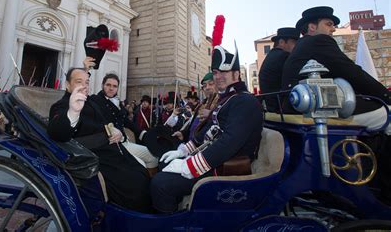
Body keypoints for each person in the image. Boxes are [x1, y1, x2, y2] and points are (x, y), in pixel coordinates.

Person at [150, 43, 263, 213]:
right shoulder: (229, 99)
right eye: (216, 72)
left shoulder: (244, 101)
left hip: (228, 166)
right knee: (163, 163)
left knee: (160, 184)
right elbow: (210, 131)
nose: (218, 77)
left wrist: (190, 166)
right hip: (216, 160)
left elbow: (229, 143)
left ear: (237, 74)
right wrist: (183, 151)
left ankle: (172, 223)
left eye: (224, 72)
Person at [47, 68, 151, 212]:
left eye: (87, 82)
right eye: (79, 82)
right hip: (92, 158)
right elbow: (56, 132)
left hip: (111, 150)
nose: (84, 85)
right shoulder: (62, 105)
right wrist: (73, 112)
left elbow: (104, 124)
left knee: (141, 172)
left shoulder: (91, 103)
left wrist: (115, 131)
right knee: (135, 183)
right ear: (67, 84)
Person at [281, 6, 391, 130]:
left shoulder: (302, 45)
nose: (333, 29)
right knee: (388, 113)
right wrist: (386, 95)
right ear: (312, 27)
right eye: (329, 24)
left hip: (298, 105)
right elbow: (351, 72)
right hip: (314, 107)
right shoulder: (319, 41)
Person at [92, 73, 158, 174]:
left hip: (125, 142)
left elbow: (126, 121)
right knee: (141, 165)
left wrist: (142, 133)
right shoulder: (95, 100)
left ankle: (152, 185)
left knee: (153, 157)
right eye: (108, 85)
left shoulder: (117, 101)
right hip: (112, 146)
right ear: (102, 85)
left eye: (114, 86)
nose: (111, 88)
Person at [259, 27, 300, 112]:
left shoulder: (272, 56)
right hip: (282, 108)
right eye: (294, 42)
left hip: (273, 106)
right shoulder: (284, 56)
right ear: (281, 42)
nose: (296, 46)